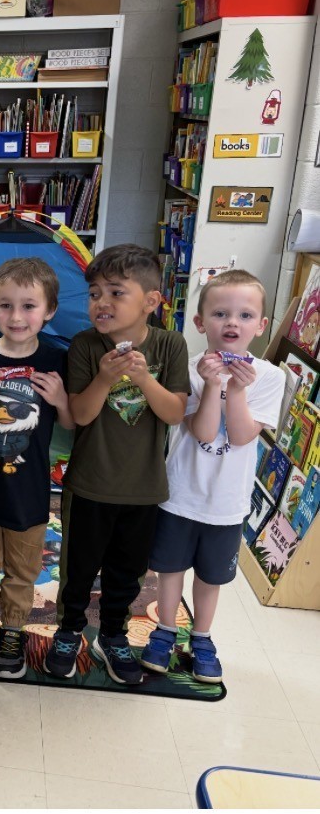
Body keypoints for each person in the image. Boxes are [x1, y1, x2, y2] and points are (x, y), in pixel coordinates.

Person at [44, 244, 190, 685]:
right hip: (89, 484)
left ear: (150, 301)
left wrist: (144, 378)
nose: (100, 303)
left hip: (144, 488)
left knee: (128, 571)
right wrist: (107, 377)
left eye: (115, 293)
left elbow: (175, 413)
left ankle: (113, 634)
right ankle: (69, 631)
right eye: (93, 293)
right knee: (78, 566)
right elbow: (81, 416)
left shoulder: (170, 345)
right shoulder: (85, 346)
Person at [141, 270, 284, 684]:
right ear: (201, 323)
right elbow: (202, 431)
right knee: (169, 569)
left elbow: (240, 436)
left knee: (211, 576)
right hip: (181, 493)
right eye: (220, 313)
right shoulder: (185, 369)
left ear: (261, 326)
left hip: (227, 503)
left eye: (244, 315)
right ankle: (165, 629)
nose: (232, 323)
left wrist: (235, 391)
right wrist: (210, 384)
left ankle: (201, 637)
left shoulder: (270, 377)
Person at [0, 258, 74, 679]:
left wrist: (61, 400)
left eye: (29, 306)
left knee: (24, 570)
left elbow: (72, 423)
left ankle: (13, 629)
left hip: (29, 489)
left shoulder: (57, 358)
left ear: (50, 311)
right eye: (6, 305)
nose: (17, 316)